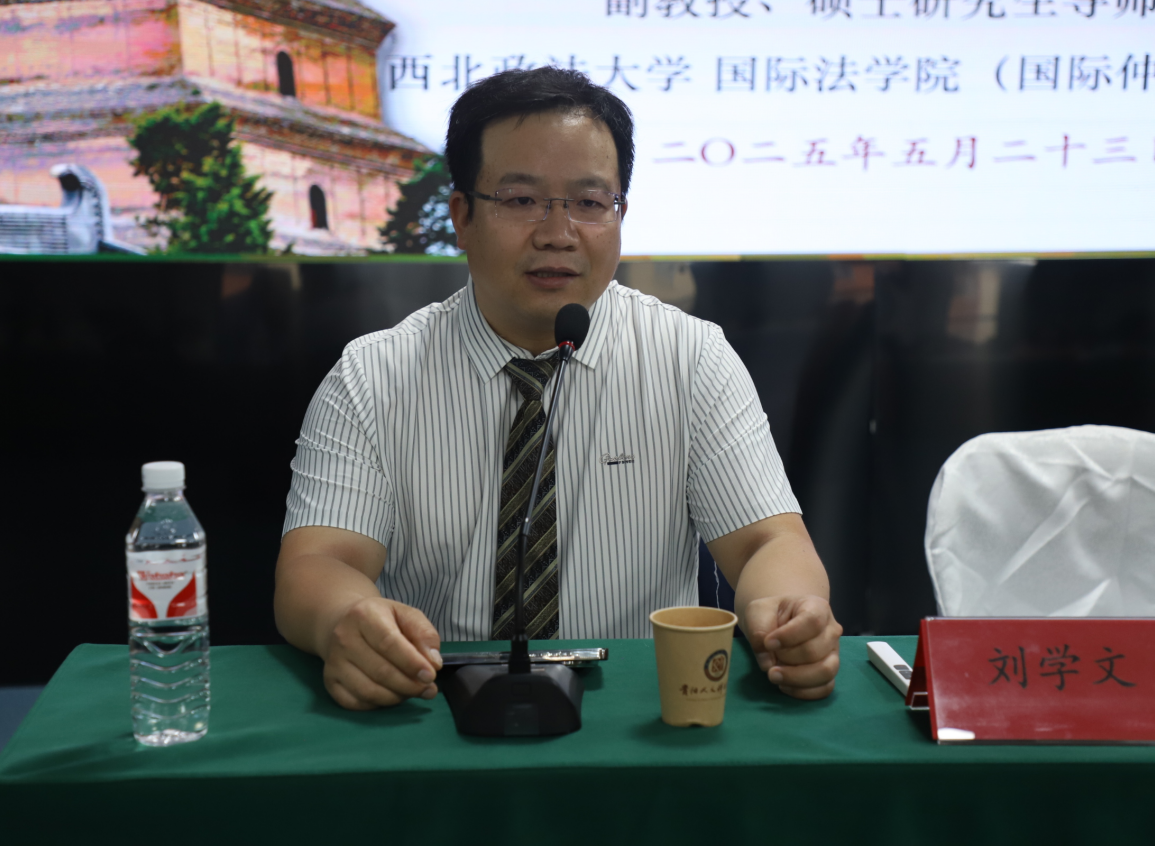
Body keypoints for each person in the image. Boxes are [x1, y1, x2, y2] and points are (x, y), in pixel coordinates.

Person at [274, 67, 841, 712]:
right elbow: (318, 564)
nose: (557, 233)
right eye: (521, 200)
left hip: (634, 712)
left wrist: (789, 613)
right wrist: (346, 621)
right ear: (462, 216)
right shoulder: (372, 376)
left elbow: (769, 541)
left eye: (590, 203)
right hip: (434, 705)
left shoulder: (691, 358)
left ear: (619, 214)